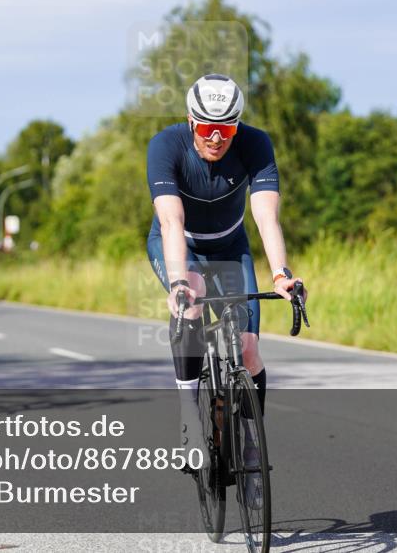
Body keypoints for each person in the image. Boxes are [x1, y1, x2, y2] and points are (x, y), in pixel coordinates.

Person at [145, 73, 307, 507]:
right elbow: (171, 222)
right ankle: (187, 419)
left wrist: (280, 274)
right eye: (206, 127)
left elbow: (266, 216)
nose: (216, 138)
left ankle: (252, 440)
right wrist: (180, 282)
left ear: (238, 125)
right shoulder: (166, 146)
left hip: (232, 245)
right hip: (181, 245)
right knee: (193, 296)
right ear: (190, 120)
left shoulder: (256, 144)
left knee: (250, 350)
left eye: (227, 128)